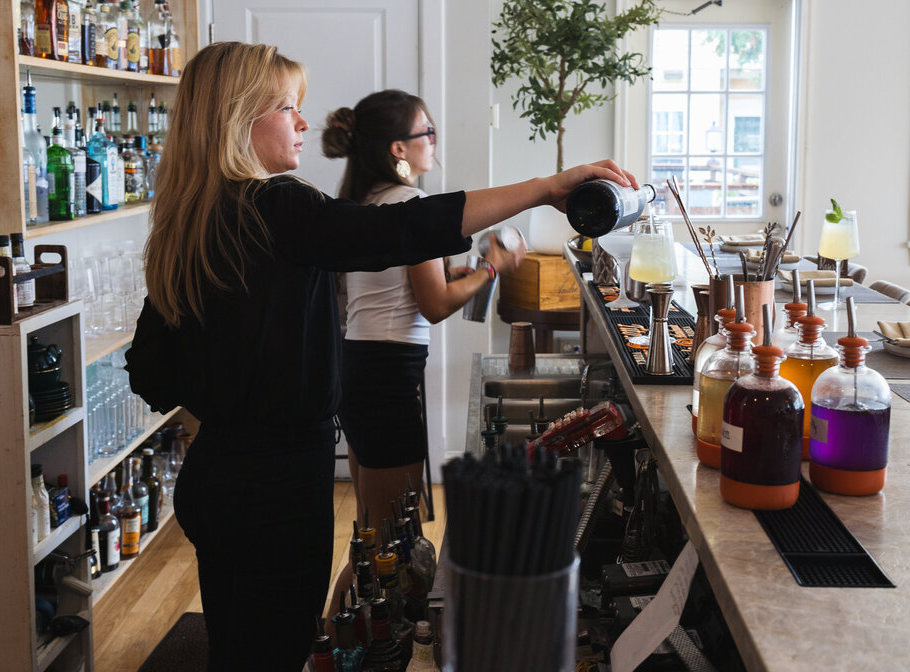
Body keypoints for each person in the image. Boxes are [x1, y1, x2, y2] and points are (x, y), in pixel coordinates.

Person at [124, 41, 638, 671]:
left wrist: (233, 383)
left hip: (216, 476)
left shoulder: (193, 218)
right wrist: (543, 188)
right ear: (236, 119)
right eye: (286, 108)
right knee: (275, 652)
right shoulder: (274, 206)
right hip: (276, 490)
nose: (303, 122)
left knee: (238, 648)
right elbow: (404, 230)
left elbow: (149, 373)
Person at [320, 90, 524, 619]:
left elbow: (397, 288)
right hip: (386, 377)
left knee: (374, 532)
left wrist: (458, 271)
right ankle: (338, 641)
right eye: (425, 132)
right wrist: (493, 268)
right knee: (390, 538)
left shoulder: (367, 202)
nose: (434, 140)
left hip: (362, 367)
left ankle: (342, 638)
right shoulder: (409, 207)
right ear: (398, 149)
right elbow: (433, 306)